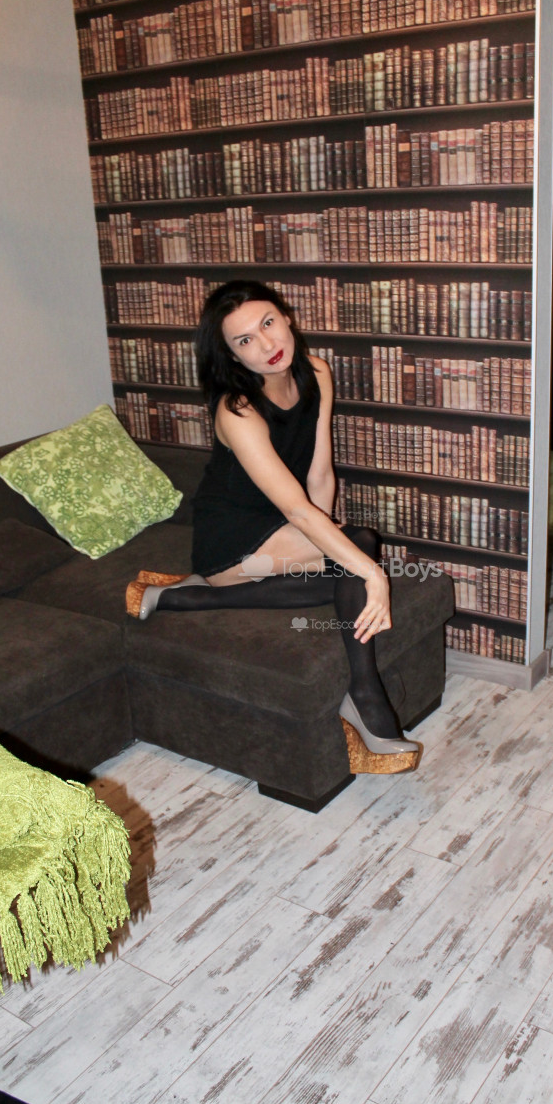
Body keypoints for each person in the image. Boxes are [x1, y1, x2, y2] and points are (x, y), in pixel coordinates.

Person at [125, 280, 418, 773]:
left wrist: (331, 548)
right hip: (231, 542)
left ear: (287, 317)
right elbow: (300, 511)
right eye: (245, 340)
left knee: (344, 562)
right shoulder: (237, 409)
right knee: (360, 549)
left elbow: (319, 475)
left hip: (280, 527)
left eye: (268, 323)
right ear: (232, 355)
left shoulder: (317, 373)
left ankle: (186, 598)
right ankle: (365, 697)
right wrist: (371, 572)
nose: (266, 345)